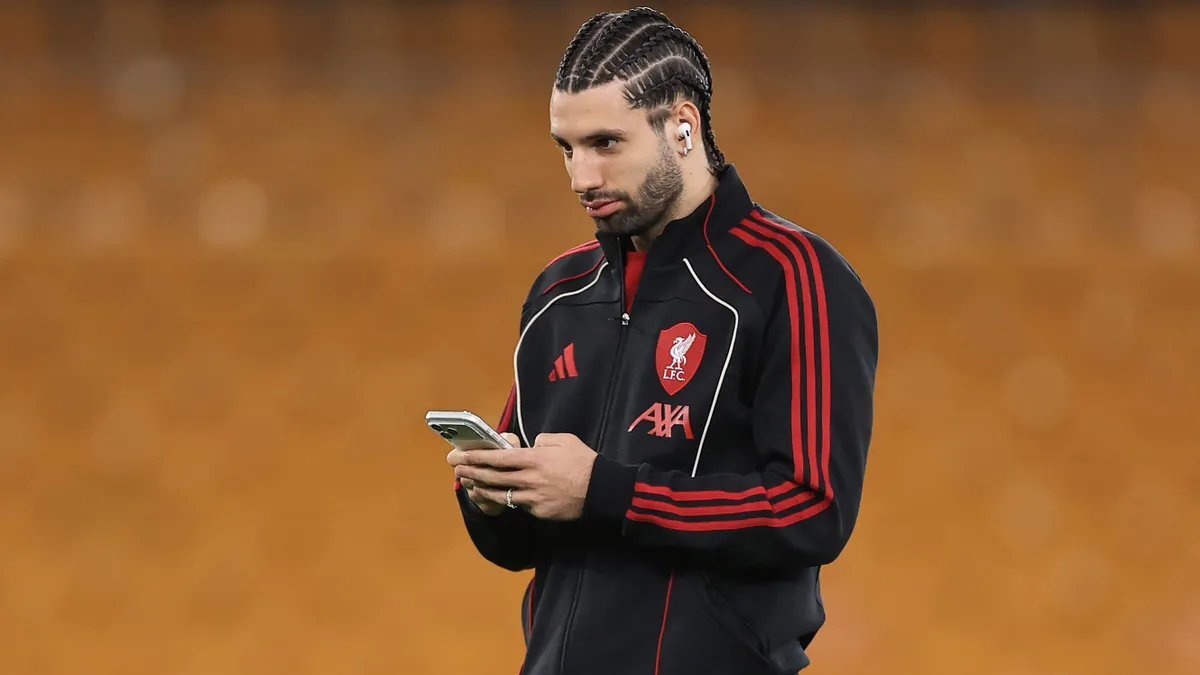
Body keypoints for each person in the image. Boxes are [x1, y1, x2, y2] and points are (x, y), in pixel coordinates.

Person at [446, 7, 878, 675]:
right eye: (567, 148)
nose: (581, 177)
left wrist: (607, 491)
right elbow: (520, 544)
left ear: (683, 125)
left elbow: (811, 509)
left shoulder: (795, 276)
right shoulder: (558, 292)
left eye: (605, 143)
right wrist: (493, 497)